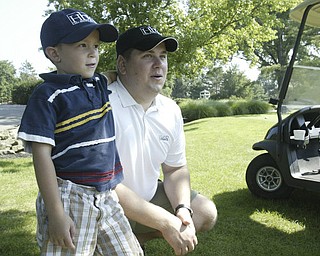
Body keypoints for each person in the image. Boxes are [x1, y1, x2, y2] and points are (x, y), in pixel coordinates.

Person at [17, 9, 143, 255]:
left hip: (108, 194)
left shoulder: (95, 83)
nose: (93, 52)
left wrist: (130, 70)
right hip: (70, 197)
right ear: (55, 54)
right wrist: (56, 214)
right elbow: (41, 156)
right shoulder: (47, 96)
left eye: (96, 45)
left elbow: (108, 76)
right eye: (82, 45)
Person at [108, 25, 218, 252]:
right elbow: (103, 183)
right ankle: (126, 239)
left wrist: (183, 210)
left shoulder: (170, 109)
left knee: (205, 212)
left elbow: (175, 169)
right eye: (148, 56)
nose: (159, 64)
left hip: (147, 197)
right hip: (107, 204)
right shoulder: (102, 105)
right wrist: (165, 222)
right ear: (122, 65)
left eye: (163, 56)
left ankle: (138, 238)